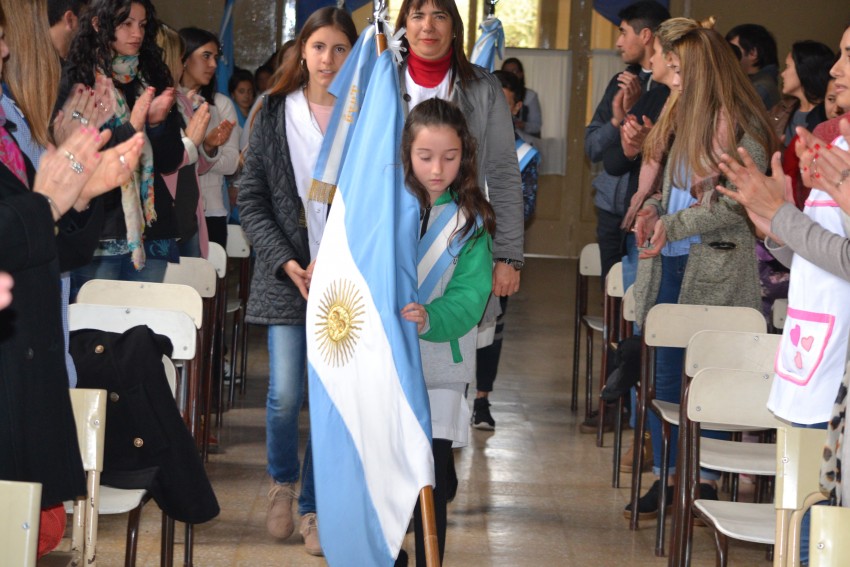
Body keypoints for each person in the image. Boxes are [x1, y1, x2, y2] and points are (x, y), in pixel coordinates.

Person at [0, 7, 146, 556]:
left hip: (25, 361)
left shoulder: (9, 117)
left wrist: (79, 195)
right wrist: (45, 203)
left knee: (32, 534)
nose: (6, 51)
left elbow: (49, 247)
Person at [626, 24, 775, 518]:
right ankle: (668, 477)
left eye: (679, 69)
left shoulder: (744, 127)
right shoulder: (683, 117)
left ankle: (704, 480)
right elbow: (669, 191)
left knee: (710, 378)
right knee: (665, 378)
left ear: (706, 71)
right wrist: (652, 209)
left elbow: (734, 204)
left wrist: (670, 221)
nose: (672, 77)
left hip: (715, 268)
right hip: (669, 262)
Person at [237, 7, 357, 557]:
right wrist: (286, 260)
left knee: (329, 400)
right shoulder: (272, 111)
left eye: (340, 48)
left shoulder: (362, 116)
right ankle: (282, 483)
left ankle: (313, 505)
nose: (328, 59)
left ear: (353, 56)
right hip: (288, 276)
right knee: (285, 394)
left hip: (342, 282)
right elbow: (251, 199)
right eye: (319, 47)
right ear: (301, 52)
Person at [395, 0, 524, 432]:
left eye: (440, 15)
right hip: (396, 242)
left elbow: (503, 172)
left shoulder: (483, 88)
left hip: (457, 246)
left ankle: (441, 455)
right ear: (404, 25)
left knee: (444, 391)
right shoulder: (382, 79)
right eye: (417, 15)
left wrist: (508, 255)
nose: (428, 26)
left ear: (454, 26)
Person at [399, 97, 494, 567]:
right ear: (407, 154)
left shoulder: (470, 223)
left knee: (432, 473)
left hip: (442, 365)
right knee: (391, 471)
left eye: (450, 157)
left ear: (465, 156)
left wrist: (432, 317)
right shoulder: (386, 210)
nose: (437, 169)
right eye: (425, 156)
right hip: (390, 363)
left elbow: (470, 298)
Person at [582, 0, 669, 433]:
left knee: (641, 312)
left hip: (651, 218)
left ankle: (640, 415)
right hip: (611, 211)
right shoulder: (621, 84)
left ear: (646, 36)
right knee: (615, 309)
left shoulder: (669, 89)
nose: (619, 42)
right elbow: (594, 148)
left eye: (623, 32)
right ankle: (612, 404)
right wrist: (619, 119)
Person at [64, 0, 184, 294]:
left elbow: (171, 160)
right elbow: (81, 157)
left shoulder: (151, 77)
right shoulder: (78, 80)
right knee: (97, 323)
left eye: (142, 25)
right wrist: (132, 127)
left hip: (151, 234)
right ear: (98, 24)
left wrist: (156, 124)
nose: (137, 33)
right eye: (126, 24)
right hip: (99, 234)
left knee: (146, 322)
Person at [178, 27, 238, 249]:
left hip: (211, 209)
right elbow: (170, 160)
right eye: (206, 56)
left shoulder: (220, 105)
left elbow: (231, 163)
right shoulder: (166, 102)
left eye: (215, 57)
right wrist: (204, 149)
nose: (213, 64)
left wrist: (207, 149)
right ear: (184, 58)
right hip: (172, 209)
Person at [726, 23, 781, 109]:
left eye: (734, 50)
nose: (728, 55)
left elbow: (733, 115)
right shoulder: (752, 84)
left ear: (752, 53)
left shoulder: (761, 88)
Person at [500, 57, 541, 139]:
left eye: (514, 71)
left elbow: (536, 126)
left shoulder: (530, 96)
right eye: (506, 71)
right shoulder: (494, 91)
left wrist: (522, 125)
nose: (510, 75)